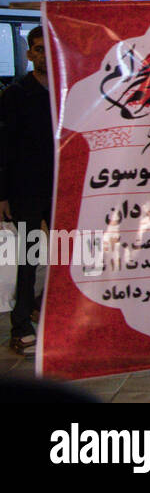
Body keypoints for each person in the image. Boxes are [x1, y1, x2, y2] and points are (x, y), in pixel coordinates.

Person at [0, 27, 54, 355]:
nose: (44, 55)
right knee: (28, 259)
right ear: (29, 54)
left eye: (49, 48)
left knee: (75, 255)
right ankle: (20, 326)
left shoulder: (65, 91)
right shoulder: (16, 94)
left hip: (62, 188)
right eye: (38, 49)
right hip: (27, 190)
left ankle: (45, 308)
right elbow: (3, 147)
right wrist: (3, 195)